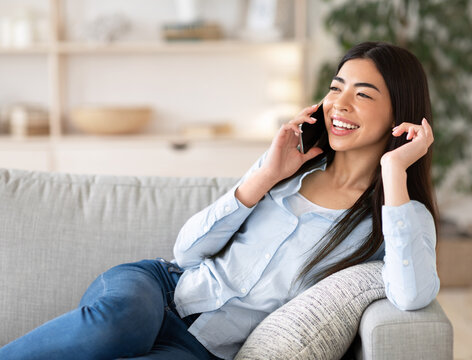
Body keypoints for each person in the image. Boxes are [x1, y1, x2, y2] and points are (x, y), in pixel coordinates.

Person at [0, 41, 440, 360]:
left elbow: (413, 294)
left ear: (398, 113)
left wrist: (392, 172)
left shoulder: (396, 218)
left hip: (202, 349)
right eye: (335, 88)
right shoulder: (288, 172)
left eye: (363, 95)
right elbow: (186, 252)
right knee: (120, 323)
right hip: (160, 289)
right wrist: (266, 174)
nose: (339, 105)